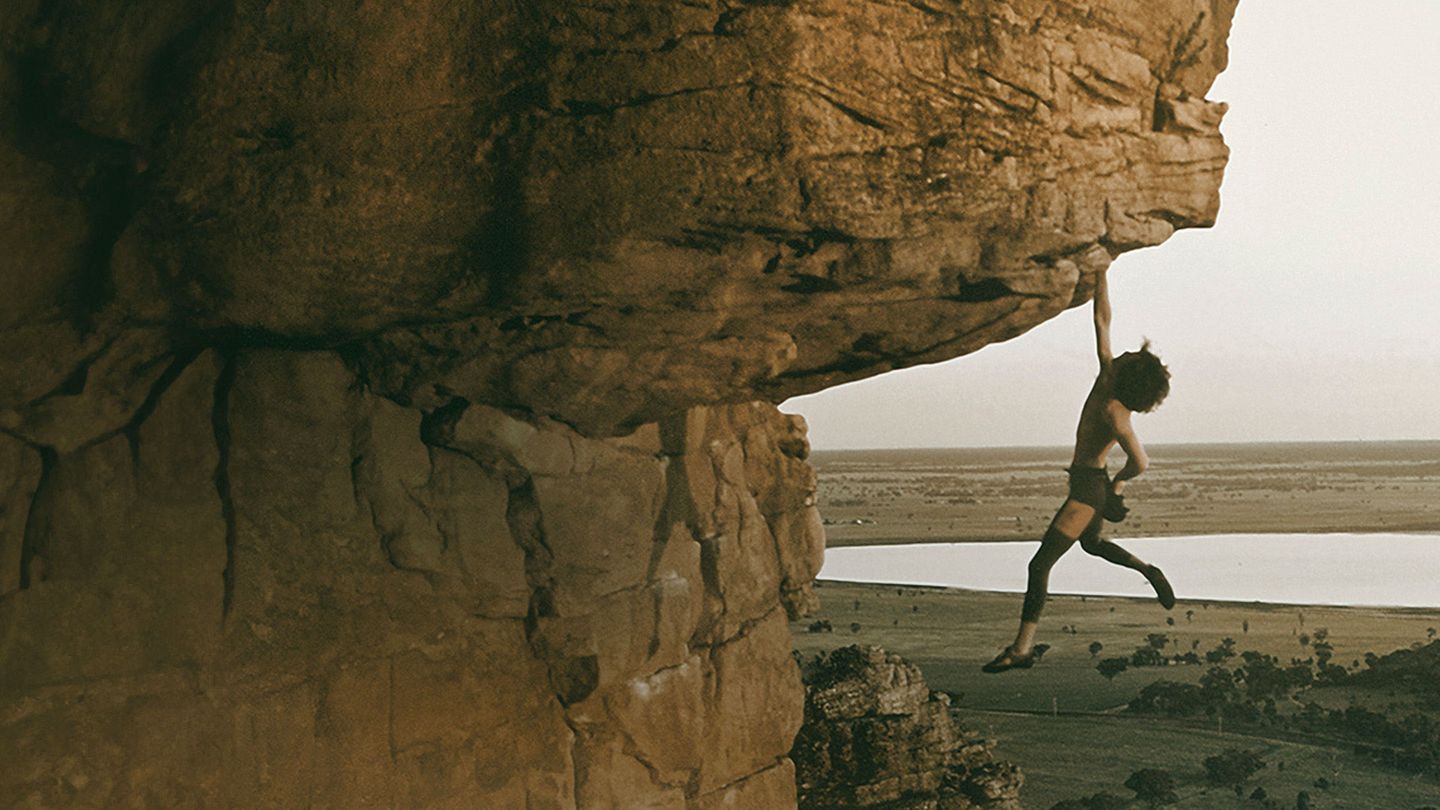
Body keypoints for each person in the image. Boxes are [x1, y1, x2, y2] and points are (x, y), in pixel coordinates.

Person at [982, 266, 1174, 674]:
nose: (1119, 353)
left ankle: (1022, 649)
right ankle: (1147, 569)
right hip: (1096, 484)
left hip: (1087, 490)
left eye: (1126, 358)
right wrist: (1102, 270)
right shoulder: (1113, 390)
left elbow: (1142, 462)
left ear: (1126, 375)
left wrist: (1119, 485)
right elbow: (1102, 317)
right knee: (1092, 545)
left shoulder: (1112, 404)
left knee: (1039, 565)